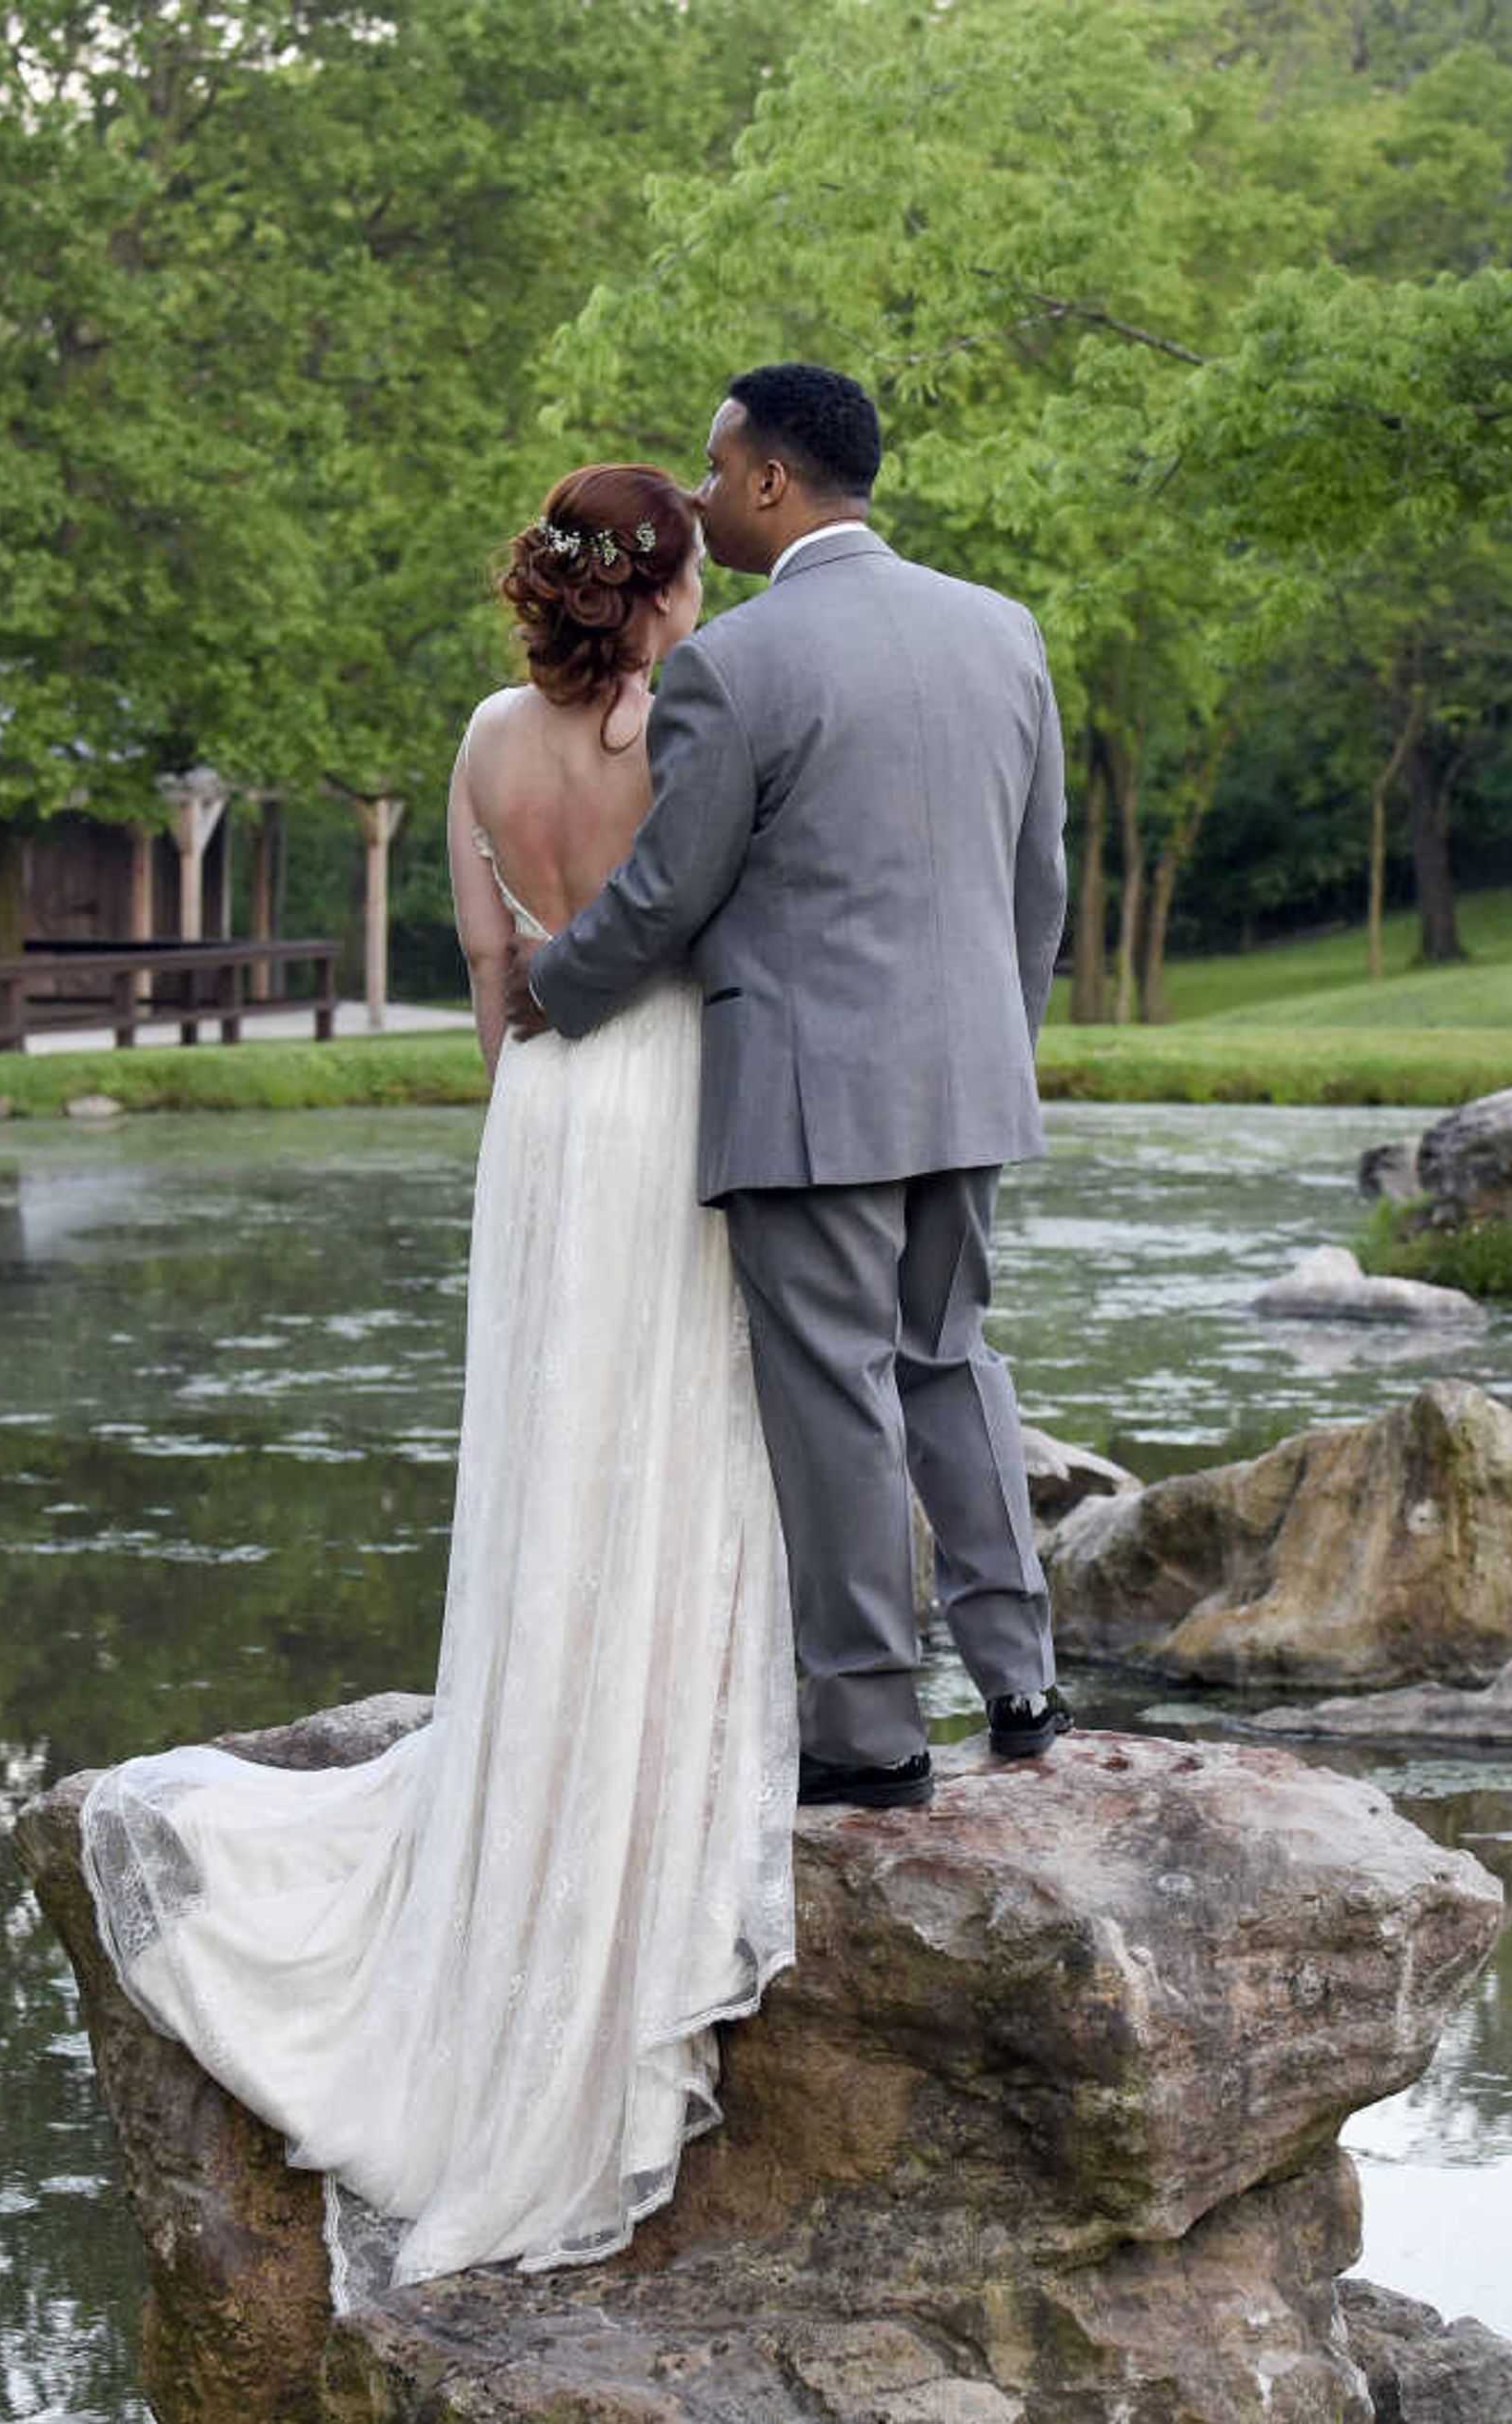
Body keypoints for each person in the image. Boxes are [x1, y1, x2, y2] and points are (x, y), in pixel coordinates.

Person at [77, 463, 797, 2292]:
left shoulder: (485, 739)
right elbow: (710, 936)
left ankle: (540, 1747)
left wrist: (523, 1125)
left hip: (542, 1119)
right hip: (657, 1094)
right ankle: (636, 1769)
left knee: (559, 1443)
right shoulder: (688, 723)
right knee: (667, 1439)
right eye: (696, 573)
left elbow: (494, 967)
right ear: (658, 589)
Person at [515, 363, 1071, 1811]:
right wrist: (996, 1045)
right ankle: (1023, 1681)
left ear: (769, 481)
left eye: (714, 472)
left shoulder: (735, 668)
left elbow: (669, 894)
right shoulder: (1004, 633)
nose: (698, 500)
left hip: (812, 1095)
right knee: (951, 1361)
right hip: (971, 1076)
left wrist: (552, 982)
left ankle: (871, 1731)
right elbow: (1040, 885)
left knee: (836, 1400)